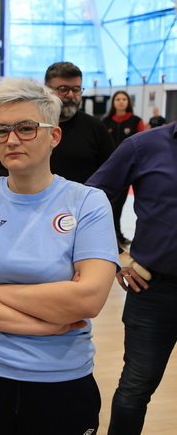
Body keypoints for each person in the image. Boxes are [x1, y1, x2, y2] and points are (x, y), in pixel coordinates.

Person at [0, 78, 119, 435]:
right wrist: (45, 324)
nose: (11, 140)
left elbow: (88, 299)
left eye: (26, 128)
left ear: (54, 136)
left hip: (62, 379)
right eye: (1, 130)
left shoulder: (87, 203)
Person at [86, 123, 177, 435]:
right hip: (155, 291)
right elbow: (89, 201)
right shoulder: (144, 146)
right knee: (135, 390)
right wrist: (114, 255)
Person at [45, 61, 114, 184]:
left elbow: (113, 174)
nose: (71, 95)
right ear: (47, 90)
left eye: (76, 89)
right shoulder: (33, 127)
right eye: (63, 89)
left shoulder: (96, 128)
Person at [101, 91, 144, 247]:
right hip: (109, 168)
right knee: (109, 204)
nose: (121, 101)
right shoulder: (105, 122)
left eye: (124, 99)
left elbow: (143, 143)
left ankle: (117, 234)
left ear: (128, 102)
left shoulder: (135, 121)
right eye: (118, 99)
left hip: (128, 168)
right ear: (113, 102)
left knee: (119, 204)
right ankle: (113, 235)